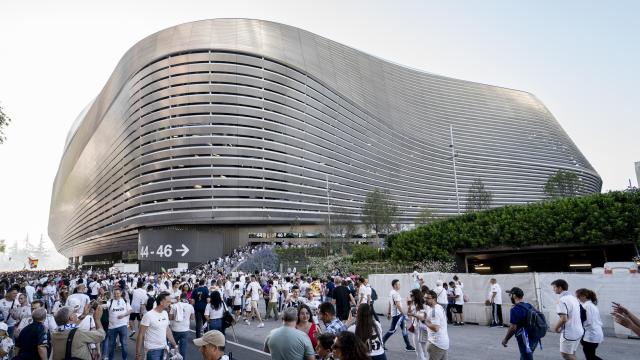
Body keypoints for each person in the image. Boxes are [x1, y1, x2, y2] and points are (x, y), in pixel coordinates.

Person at [135, 292, 180, 360]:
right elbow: (141, 335)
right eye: (168, 302)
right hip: (152, 350)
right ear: (161, 302)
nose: (170, 304)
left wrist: (175, 345)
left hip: (164, 348)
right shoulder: (148, 315)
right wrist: (138, 354)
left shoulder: (165, 313)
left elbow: (167, 331)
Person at [501, 287, 538, 360]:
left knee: (526, 357)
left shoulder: (515, 309)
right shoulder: (529, 305)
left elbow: (513, 327)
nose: (510, 297)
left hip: (524, 338)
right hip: (535, 336)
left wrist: (506, 339)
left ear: (514, 296)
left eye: (510, 295)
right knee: (525, 356)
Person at [551, 279, 583, 360]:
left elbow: (564, 319)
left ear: (560, 288)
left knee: (565, 355)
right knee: (572, 353)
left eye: (554, 287)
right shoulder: (573, 298)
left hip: (569, 332)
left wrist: (556, 328)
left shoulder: (562, 300)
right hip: (578, 330)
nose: (553, 289)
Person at [382, 279, 415, 352]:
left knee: (404, 329)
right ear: (394, 285)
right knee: (392, 330)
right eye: (398, 284)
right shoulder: (395, 294)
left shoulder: (391, 292)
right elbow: (397, 305)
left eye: (399, 284)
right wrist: (403, 314)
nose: (399, 286)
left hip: (397, 314)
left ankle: (408, 346)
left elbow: (390, 303)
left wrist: (389, 313)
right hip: (398, 315)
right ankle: (382, 343)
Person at [575, 288, 603, 360]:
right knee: (591, 355)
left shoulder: (587, 306)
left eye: (578, 296)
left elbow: (588, 322)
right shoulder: (592, 305)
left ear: (584, 296)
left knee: (590, 357)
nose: (578, 298)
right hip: (594, 333)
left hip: (591, 334)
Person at [421, 290, 449, 360]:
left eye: (427, 298)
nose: (425, 300)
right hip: (442, 343)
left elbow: (436, 328)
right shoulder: (438, 306)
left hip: (436, 344)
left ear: (434, 299)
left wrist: (424, 321)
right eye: (424, 297)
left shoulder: (434, 311)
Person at [106, 288, 132, 360]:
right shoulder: (110, 301)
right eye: (114, 293)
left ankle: (125, 358)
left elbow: (130, 310)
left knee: (124, 344)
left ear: (120, 293)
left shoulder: (124, 301)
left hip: (123, 325)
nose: (116, 295)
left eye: (117, 293)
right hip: (112, 327)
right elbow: (104, 305)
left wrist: (124, 315)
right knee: (111, 345)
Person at [169, 294, 195, 360]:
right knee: (183, 348)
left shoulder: (174, 306)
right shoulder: (190, 306)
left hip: (175, 329)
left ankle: (173, 358)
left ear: (180, 298)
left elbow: (170, 317)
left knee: (174, 346)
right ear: (187, 298)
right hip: (185, 329)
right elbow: (192, 318)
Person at [407, 289, 427, 360]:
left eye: (411, 295)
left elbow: (423, 318)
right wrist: (409, 306)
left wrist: (413, 314)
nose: (410, 297)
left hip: (422, 329)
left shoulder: (423, 305)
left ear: (416, 296)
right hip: (416, 329)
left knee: (423, 350)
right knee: (419, 350)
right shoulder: (413, 304)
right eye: (410, 295)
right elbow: (409, 314)